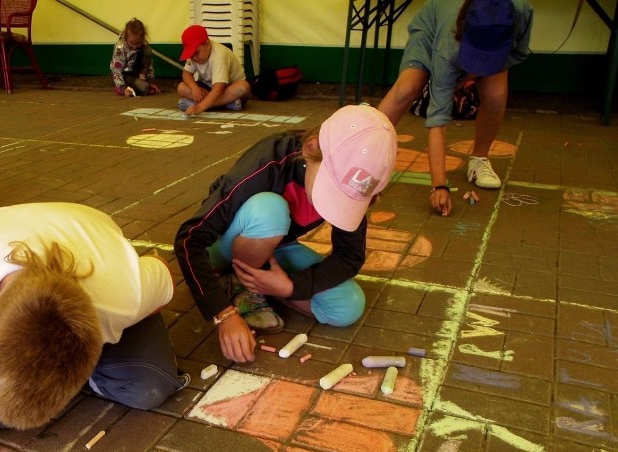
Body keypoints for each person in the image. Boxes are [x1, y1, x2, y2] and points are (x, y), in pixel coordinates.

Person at [0, 202, 188, 452]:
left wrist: (132, 309)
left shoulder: (121, 296)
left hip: (89, 235)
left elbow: (164, 273)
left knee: (150, 386)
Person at [174, 104, 397, 363]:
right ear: (311, 149)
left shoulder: (357, 181)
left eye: (347, 200)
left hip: (275, 245)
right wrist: (223, 313)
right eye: (332, 190)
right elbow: (188, 239)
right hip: (225, 243)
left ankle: (253, 285)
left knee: (348, 306)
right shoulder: (270, 160)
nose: (334, 204)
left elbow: (349, 257)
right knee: (270, 210)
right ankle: (232, 284)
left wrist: (291, 286)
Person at [377, 0, 533, 217]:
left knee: (496, 97)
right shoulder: (448, 47)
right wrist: (439, 185)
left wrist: (472, 74)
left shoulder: (520, 11)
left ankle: (479, 161)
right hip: (433, 30)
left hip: (492, 45)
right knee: (407, 87)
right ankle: (358, 150)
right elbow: (437, 120)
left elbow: (517, 52)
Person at [176, 24, 251, 115]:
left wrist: (199, 108)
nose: (194, 58)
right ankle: (226, 104)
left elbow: (218, 88)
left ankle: (203, 104)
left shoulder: (219, 55)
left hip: (227, 88)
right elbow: (186, 73)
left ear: (207, 44)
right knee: (181, 88)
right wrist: (194, 87)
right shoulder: (194, 56)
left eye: (197, 53)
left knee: (243, 86)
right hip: (210, 88)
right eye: (191, 55)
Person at [110, 18, 160, 97]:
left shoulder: (145, 46)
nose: (134, 46)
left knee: (149, 89)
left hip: (138, 74)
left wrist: (151, 82)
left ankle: (139, 85)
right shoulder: (121, 48)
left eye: (138, 43)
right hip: (125, 75)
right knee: (144, 88)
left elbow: (149, 65)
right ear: (126, 38)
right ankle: (120, 88)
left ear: (143, 38)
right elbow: (116, 71)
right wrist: (123, 88)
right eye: (131, 43)